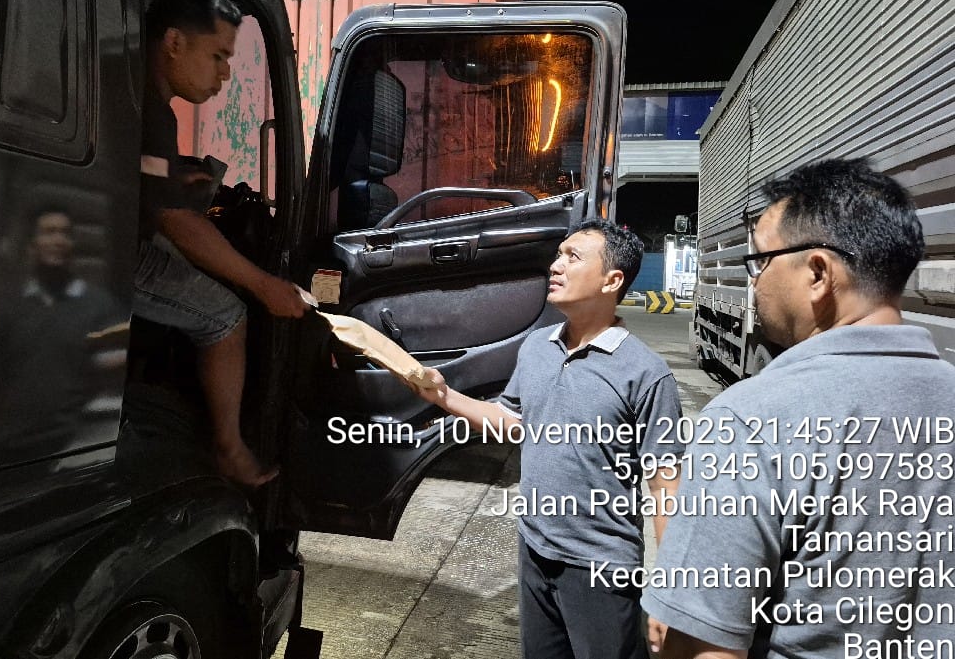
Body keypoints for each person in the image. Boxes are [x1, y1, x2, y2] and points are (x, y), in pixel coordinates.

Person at [642, 158, 955, 659]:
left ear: (817, 274)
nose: (754, 281)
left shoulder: (750, 419)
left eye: (761, 261)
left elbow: (702, 646)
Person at [408, 218, 683, 659]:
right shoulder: (537, 346)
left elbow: (666, 485)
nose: (556, 266)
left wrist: (673, 590)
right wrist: (443, 396)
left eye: (573, 257)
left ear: (612, 280)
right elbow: (511, 421)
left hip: (601, 565)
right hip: (535, 547)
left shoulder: (646, 373)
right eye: (558, 255)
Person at [134, 0, 307, 487]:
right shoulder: (152, 108)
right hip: (116, 255)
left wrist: (175, 180)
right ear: (173, 42)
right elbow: (176, 221)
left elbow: (146, 176)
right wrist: (263, 285)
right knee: (226, 317)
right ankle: (229, 449)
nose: (225, 73)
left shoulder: (137, 92)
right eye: (218, 56)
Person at [0, 207, 124, 467]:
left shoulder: (99, 306)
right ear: (31, 246)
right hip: (4, 448)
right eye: (49, 232)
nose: (58, 240)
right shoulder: (11, 307)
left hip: (62, 452)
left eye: (65, 233)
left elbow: (111, 369)